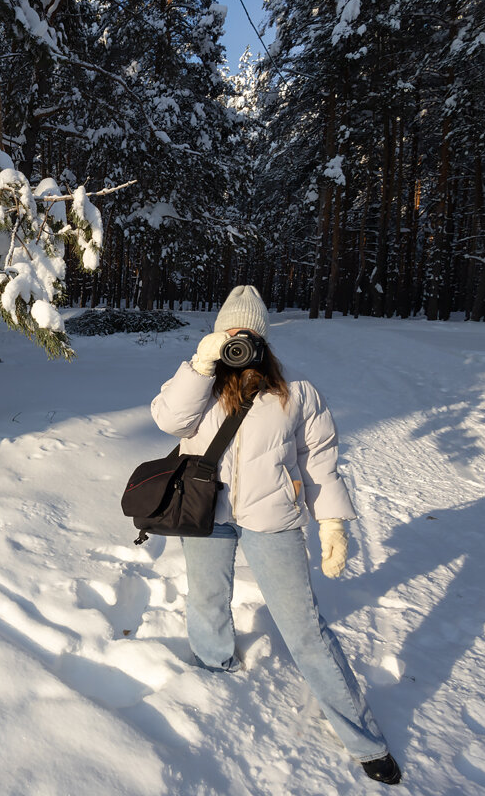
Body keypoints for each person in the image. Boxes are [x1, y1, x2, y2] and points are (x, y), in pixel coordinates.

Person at [150, 285, 402, 786]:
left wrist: (331, 521)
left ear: (264, 341)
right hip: (207, 511)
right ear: (219, 336)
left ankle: (364, 741)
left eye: (249, 337)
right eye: (231, 336)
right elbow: (167, 419)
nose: (240, 345)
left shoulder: (298, 395)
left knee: (305, 628)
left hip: (275, 519)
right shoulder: (200, 385)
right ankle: (213, 672)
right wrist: (201, 364)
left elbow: (320, 464)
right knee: (205, 599)